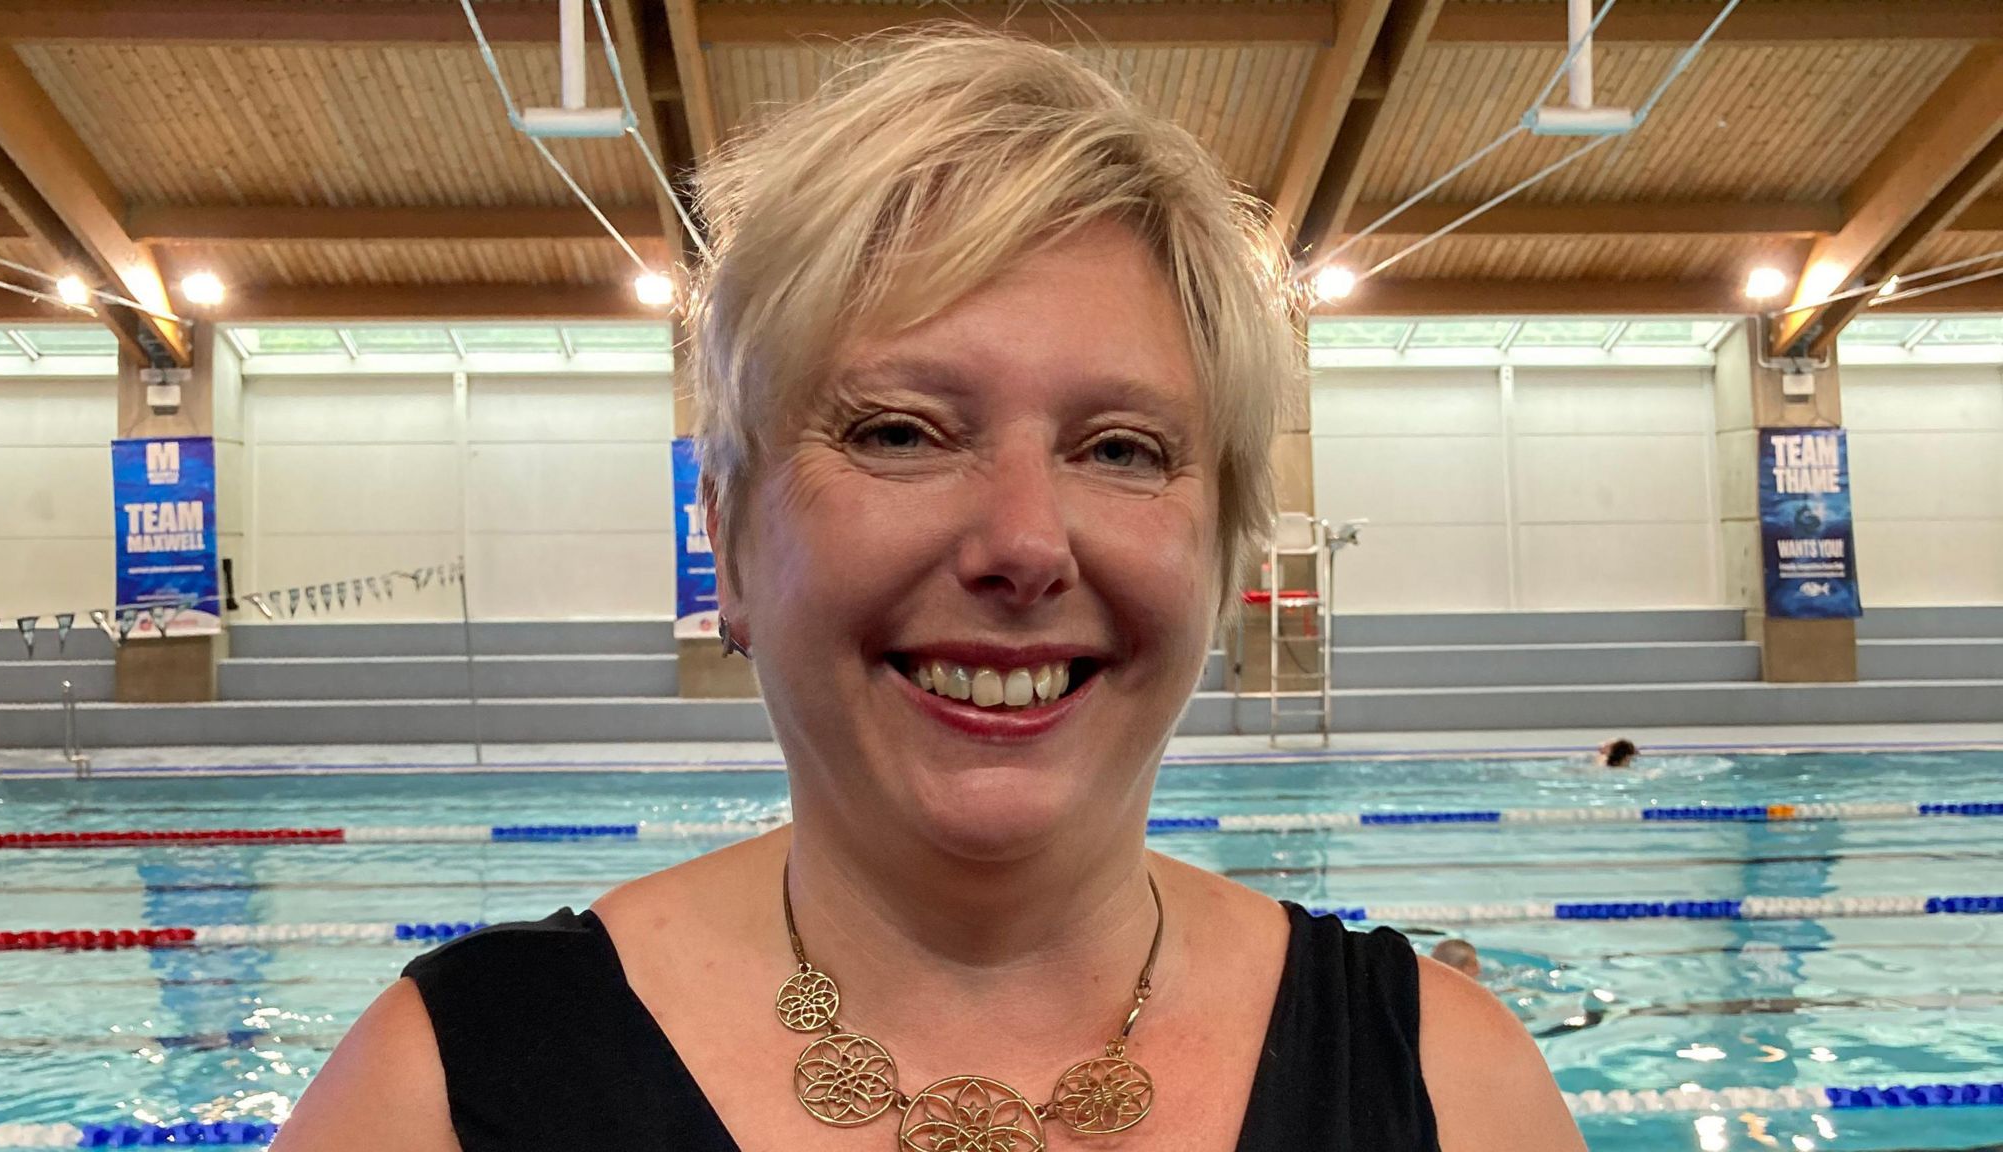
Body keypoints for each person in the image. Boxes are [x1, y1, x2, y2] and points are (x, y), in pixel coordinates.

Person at [277, 29, 1583, 1152]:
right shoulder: (434, 1095)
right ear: (726, 541)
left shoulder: (1460, 1094)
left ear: (1228, 547)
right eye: (900, 431)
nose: (1024, 542)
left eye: (1121, 448)